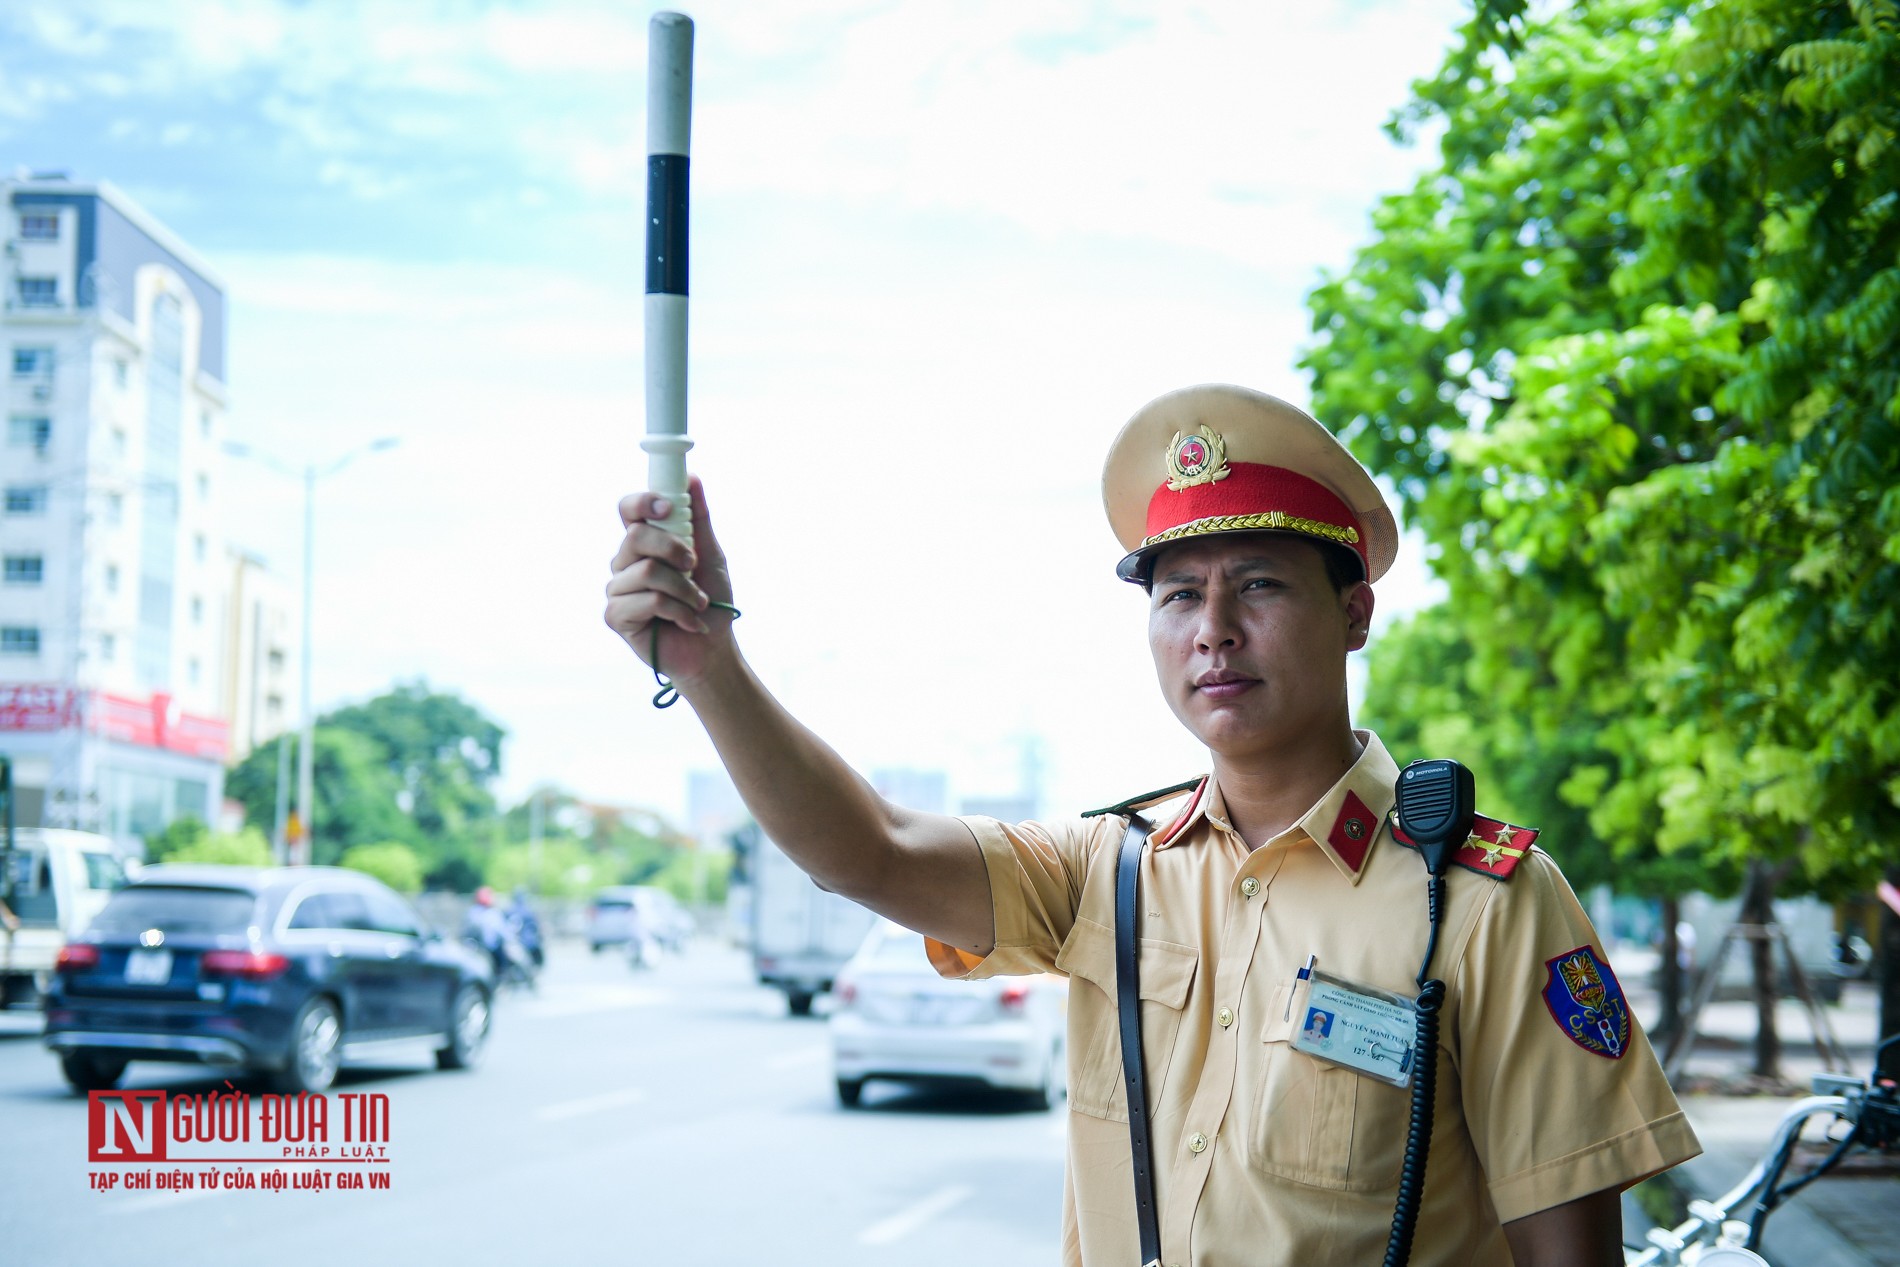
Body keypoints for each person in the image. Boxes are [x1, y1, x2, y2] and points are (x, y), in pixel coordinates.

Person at [603, 384, 1700, 1266]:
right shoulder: (1110, 875)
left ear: (1353, 611)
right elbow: (867, 851)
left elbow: (1566, 1249)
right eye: (1178, 596)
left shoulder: (1471, 899)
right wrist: (712, 667)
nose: (1213, 630)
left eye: (1257, 585)